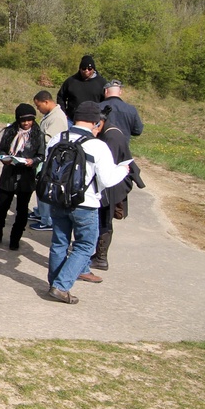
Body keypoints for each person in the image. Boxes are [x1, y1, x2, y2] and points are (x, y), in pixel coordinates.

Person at [45, 101, 130, 304]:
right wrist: (123, 170)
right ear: (96, 122)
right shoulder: (98, 146)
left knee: (59, 242)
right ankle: (61, 286)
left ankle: (54, 283)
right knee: (84, 246)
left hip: (58, 199)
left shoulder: (58, 138)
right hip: (86, 203)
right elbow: (107, 179)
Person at [90, 106, 143, 273]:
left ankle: (101, 259)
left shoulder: (111, 136)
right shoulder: (110, 132)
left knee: (105, 219)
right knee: (103, 218)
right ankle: (98, 255)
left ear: (100, 122)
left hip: (113, 183)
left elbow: (106, 165)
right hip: (113, 180)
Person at [0, 104, 45, 251]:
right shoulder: (10, 132)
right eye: (23, 120)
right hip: (9, 175)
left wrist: (33, 161)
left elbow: (41, 155)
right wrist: (3, 158)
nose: (26, 123)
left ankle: (15, 239)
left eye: (29, 120)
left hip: (26, 176)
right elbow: (1, 150)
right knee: (2, 207)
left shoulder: (38, 134)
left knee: (22, 210)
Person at [29, 90, 69, 232]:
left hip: (50, 159)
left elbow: (50, 140)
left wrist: (33, 137)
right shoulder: (50, 115)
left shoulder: (57, 118)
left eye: (39, 106)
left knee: (45, 188)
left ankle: (47, 220)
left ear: (46, 102)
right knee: (40, 187)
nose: (38, 110)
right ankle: (40, 213)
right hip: (44, 158)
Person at [57, 55, 107, 122]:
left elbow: (106, 101)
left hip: (93, 121)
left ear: (94, 69)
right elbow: (61, 97)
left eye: (89, 68)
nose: (86, 71)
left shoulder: (101, 82)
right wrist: (63, 112)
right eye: (83, 68)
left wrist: (101, 116)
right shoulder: (71, 81)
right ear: (80, 69)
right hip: (72, 120)